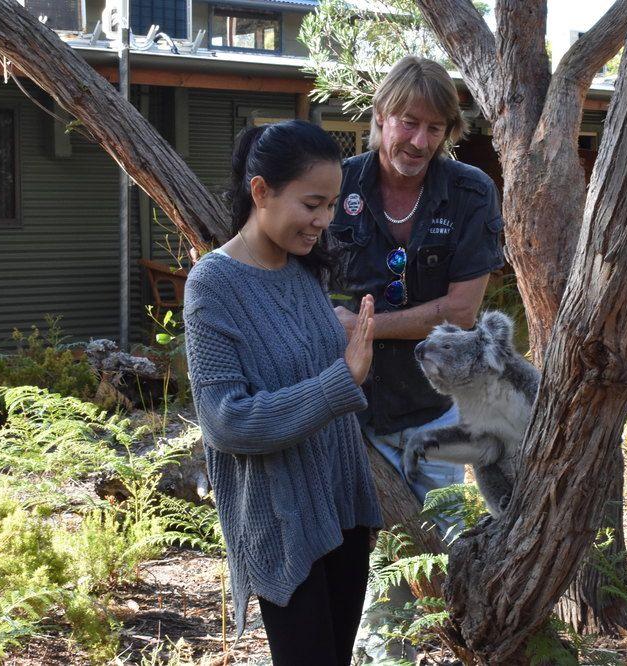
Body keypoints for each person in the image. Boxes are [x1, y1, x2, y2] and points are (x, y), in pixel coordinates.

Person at [183, 120, 383, 666]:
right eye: (312, 203)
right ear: (261, 191)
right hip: (282, 519)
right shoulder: (212, 285)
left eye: (332, 204)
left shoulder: (303, 272)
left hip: (341, 504)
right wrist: (343, 379)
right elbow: (226, 422)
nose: (324, 220)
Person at [328, 56, 505, 659]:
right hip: (342, 413)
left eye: (435, 129)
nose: (419, 141)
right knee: (345, 569)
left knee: (430, 565)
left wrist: (366, 328)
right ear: (380, 117)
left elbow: (460, 311)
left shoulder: (469, 191)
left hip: (435, 414)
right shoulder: (336, 184)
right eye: (408, 122)